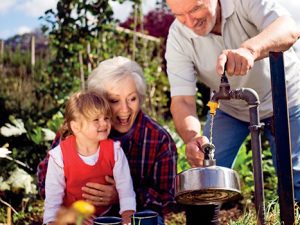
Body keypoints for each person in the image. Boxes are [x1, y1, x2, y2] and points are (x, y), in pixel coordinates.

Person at [165, 0, 300, 223]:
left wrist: (249, 49)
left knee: (295, 178)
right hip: (230, 108)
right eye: (180, 15)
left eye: (195, 8)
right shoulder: (178, 36)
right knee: (204, 177)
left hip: (286, 97)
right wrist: (192, 137)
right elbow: (182, 100)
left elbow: (288, 28)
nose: (189, 21)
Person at [38, 56, 178, 225]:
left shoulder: (158, 139)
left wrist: (121, 195)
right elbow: (44, 181)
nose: (125, 109)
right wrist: (72, 209)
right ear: (98, 101)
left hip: (134, 216)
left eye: (132, 98)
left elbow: (167, 199)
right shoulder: (76, 131)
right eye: (114, 101)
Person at [43, 91, 136, 225]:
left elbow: (126, 191)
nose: (104, 124)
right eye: (96, 120)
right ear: (76, 126)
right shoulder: (59, 157)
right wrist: (55, 221)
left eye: (106, 118)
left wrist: (128, 216)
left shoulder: (115, 151)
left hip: (108, 218)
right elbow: (53, 202)